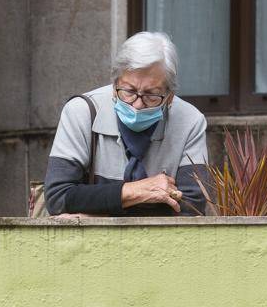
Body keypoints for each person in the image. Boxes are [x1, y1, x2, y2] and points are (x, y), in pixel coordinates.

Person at [44, 31, 209, 216]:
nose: (137, 104)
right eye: (129, 91)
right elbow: (57, 198)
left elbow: (191, 207)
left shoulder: (190, 121)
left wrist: (97, 208)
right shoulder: (80, 112)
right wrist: (137, 191)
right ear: (114, 87)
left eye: (151, 94)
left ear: (170, 97)